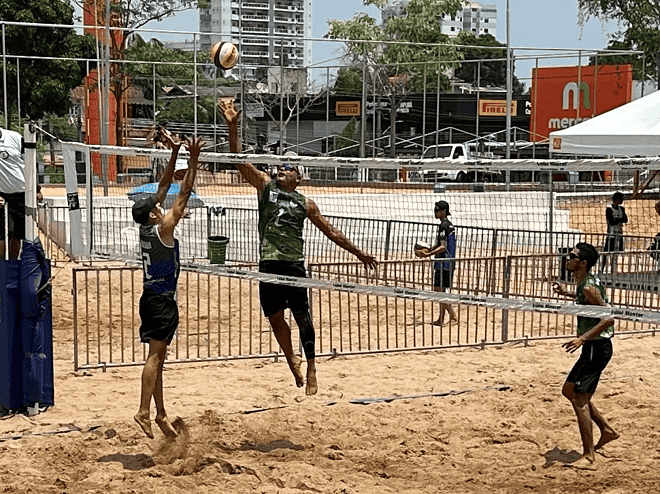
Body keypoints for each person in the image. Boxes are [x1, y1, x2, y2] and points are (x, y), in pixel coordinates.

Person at [218, 97, 378, 396]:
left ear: (298, 178)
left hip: (293, 263)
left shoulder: (306, 203)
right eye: (281, 165)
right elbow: (238, 160)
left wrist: (359, 253)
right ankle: (291, 357)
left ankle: (312, 366)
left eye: (289, 167)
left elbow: (331, 231)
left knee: (303, 317)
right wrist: (233, 126)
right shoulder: (265, 186)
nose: (282, 168)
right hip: (268, 263)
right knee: (274, 316)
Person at [132, 132, 205, 439]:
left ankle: (160, 413)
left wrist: (174, 152)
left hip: (150, 296)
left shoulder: (147, 227)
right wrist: (193, 159)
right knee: (154, 358)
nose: (159, 203)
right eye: (155, 205)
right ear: (153, 214)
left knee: (158, 358)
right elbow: (183, 192)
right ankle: (143, 411)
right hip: (162, 301)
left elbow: (162, 188)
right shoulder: (163, 227)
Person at [552, 242, 619, 470]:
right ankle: (606, 430)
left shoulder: (589, 286)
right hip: (592, 347)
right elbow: (587, 301)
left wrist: (582, 338)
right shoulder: (584, 284)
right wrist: (566, 293)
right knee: (569, 391)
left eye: (571, 256)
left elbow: (608, 318)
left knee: (580, 400)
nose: (567, 258)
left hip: (596, 348)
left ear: (582, 263)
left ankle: (589, 457)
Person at [414, 200, 458, 326]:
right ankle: (441, 319)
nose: (435, 212)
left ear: (443, 211)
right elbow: (440, 245)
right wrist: (429, 250)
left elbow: (443, 247)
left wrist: (428, 254)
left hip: (444, 263)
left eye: (437, 210)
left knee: (440, 291)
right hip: (445, 262)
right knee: (439, 291)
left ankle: (453, 317)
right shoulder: (448, 225)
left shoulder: (444, 226)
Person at [0, 127, 26, 259]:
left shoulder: (15, 137)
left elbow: (30, 162)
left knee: (18, 234)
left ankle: (13, 264)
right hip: (2, 195)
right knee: (2, 234)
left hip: (21, 194)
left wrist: (37, 189)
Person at [601, 191, 627, 273]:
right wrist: (620, 220)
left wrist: (617, 220)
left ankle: (613, 271)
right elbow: (612, 222)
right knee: (606, 253)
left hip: (619, 234)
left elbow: (625, 219)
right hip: (611, 234)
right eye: (621, 199)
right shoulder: (609, 209)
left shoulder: (621, 209)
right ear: (617, 199)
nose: (622, 200)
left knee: (615, 254)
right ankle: (601, 270)